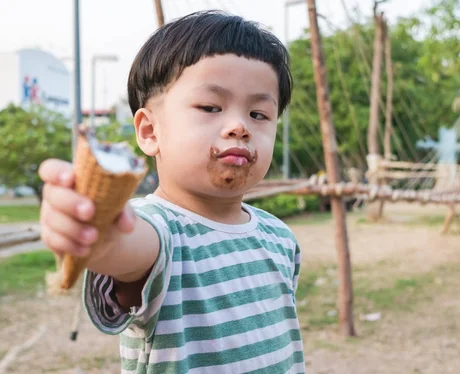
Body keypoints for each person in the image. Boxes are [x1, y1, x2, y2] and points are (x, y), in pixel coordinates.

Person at [38, 11, 304, 373]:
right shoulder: (159, 231)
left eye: (259, 114)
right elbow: (123, 248)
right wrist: (96, 232)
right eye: (211, 107)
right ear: (149, 131)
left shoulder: (280, 237)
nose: (240, 126)